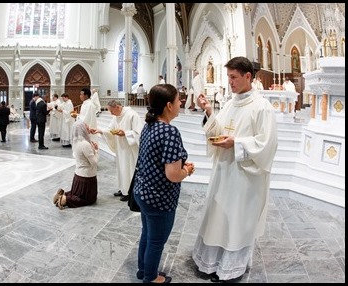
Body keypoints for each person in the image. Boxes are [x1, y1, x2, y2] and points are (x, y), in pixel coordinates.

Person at [192, 56, 278, 283]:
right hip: (223, 170)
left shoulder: (262, 108)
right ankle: (211, 262)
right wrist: (209, 111)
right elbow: (219, 129)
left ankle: (230, 268)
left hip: (244, 178)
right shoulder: (230, 103)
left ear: (248, 76)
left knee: (237, 220)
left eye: (233, 77)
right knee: (218, 217)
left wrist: (237, 143)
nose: (229, 82)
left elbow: (267, 144)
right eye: (228, 77)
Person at [132, 83, 195, 283]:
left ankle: (143, 270)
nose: (181, 103)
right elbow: (173, 174)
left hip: (143, 192)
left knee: (147, 234)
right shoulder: (169, 132)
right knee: (157, 240)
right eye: (178, 100)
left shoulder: (149, 126)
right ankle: (151, 277)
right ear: (169, 105)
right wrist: (187, 170)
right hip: (159, 198)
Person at [90, 100, 144, 201]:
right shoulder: (116, 116)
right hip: (121, 148)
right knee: (121, 169)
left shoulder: (132, 115)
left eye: (111, 111)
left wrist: (126, 134)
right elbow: (110, 129)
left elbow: (139, 132)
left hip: (129, 150)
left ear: (118, 107)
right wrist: (100, 131)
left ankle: (129, 192)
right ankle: (123, 189)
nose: (111, 113)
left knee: (128, 169)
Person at [53, 121, 99, 209]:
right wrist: (96, 151)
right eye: (86, 126)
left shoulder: (75, 142)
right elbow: (94, 163)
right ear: (82, 129)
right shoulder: (85, 144)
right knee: (89, 199)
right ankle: (64, 200)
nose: (88, 127)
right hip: (87, 177)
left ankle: (62, 194)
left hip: (78, 175)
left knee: (76, 194)